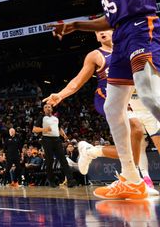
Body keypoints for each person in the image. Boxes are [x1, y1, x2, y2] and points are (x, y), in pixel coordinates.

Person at [52, 0, 160, 199]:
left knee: (149, 96)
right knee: (113, 107)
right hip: (121, 34)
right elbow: (110, 19)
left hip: (140, 27)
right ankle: (132, 178)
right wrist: (76, 25)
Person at [44, 29, 160, 194]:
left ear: (115, 32)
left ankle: (92, 152)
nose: (101, 33)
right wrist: (60, 95)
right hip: (105, 97)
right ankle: (131, 180)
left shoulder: (128, 50)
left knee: (132, 150)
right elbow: (77, 81)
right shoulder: (95, 55)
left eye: (105, 30)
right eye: (98, 32)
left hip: (128, 99)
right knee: (136, 127)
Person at [31, 104, 76, 188]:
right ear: (44, 110)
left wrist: (64, 135)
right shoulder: (42, 117)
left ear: (52, 109)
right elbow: (34, 129)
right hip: (47, 139)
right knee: (49, 160)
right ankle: (51, 181)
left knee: (63, 159)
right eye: (45, 107)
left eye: (49, 107)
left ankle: (70, 180)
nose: (47, 108)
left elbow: (59, 128)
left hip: (57, 139)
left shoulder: (56, 118)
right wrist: (44, 129)